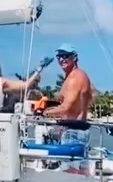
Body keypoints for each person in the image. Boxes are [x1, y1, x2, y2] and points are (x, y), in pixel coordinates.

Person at [43, 43, 93, 174]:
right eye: (59, 56)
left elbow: (66, 107)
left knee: (69, 172)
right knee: (83, 173)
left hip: (73, 131)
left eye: (65, 56)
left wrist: (45, 113)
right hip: (82, 130)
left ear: (75, 57)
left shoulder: (74, 78)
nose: (61, 59)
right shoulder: (82, 76)